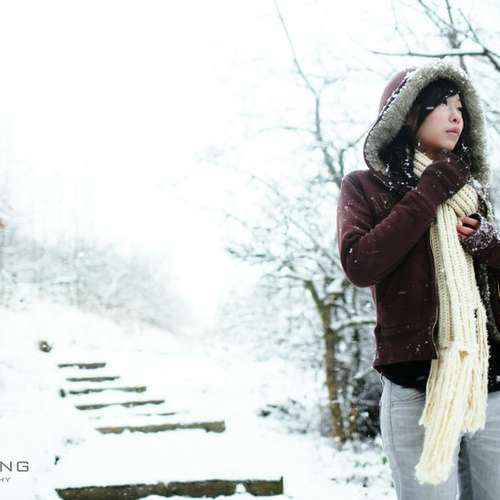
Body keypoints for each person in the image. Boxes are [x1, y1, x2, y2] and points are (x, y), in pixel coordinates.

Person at [336, 59, 500, 499]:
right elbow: (360, 263)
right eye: (442, 105)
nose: (456, 116)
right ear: (408, 113)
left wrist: (491, 245)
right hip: (414, 385)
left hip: (488, 382)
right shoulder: (365, 188)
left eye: (461, 108)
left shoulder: (472, 192)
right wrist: (428, 193)